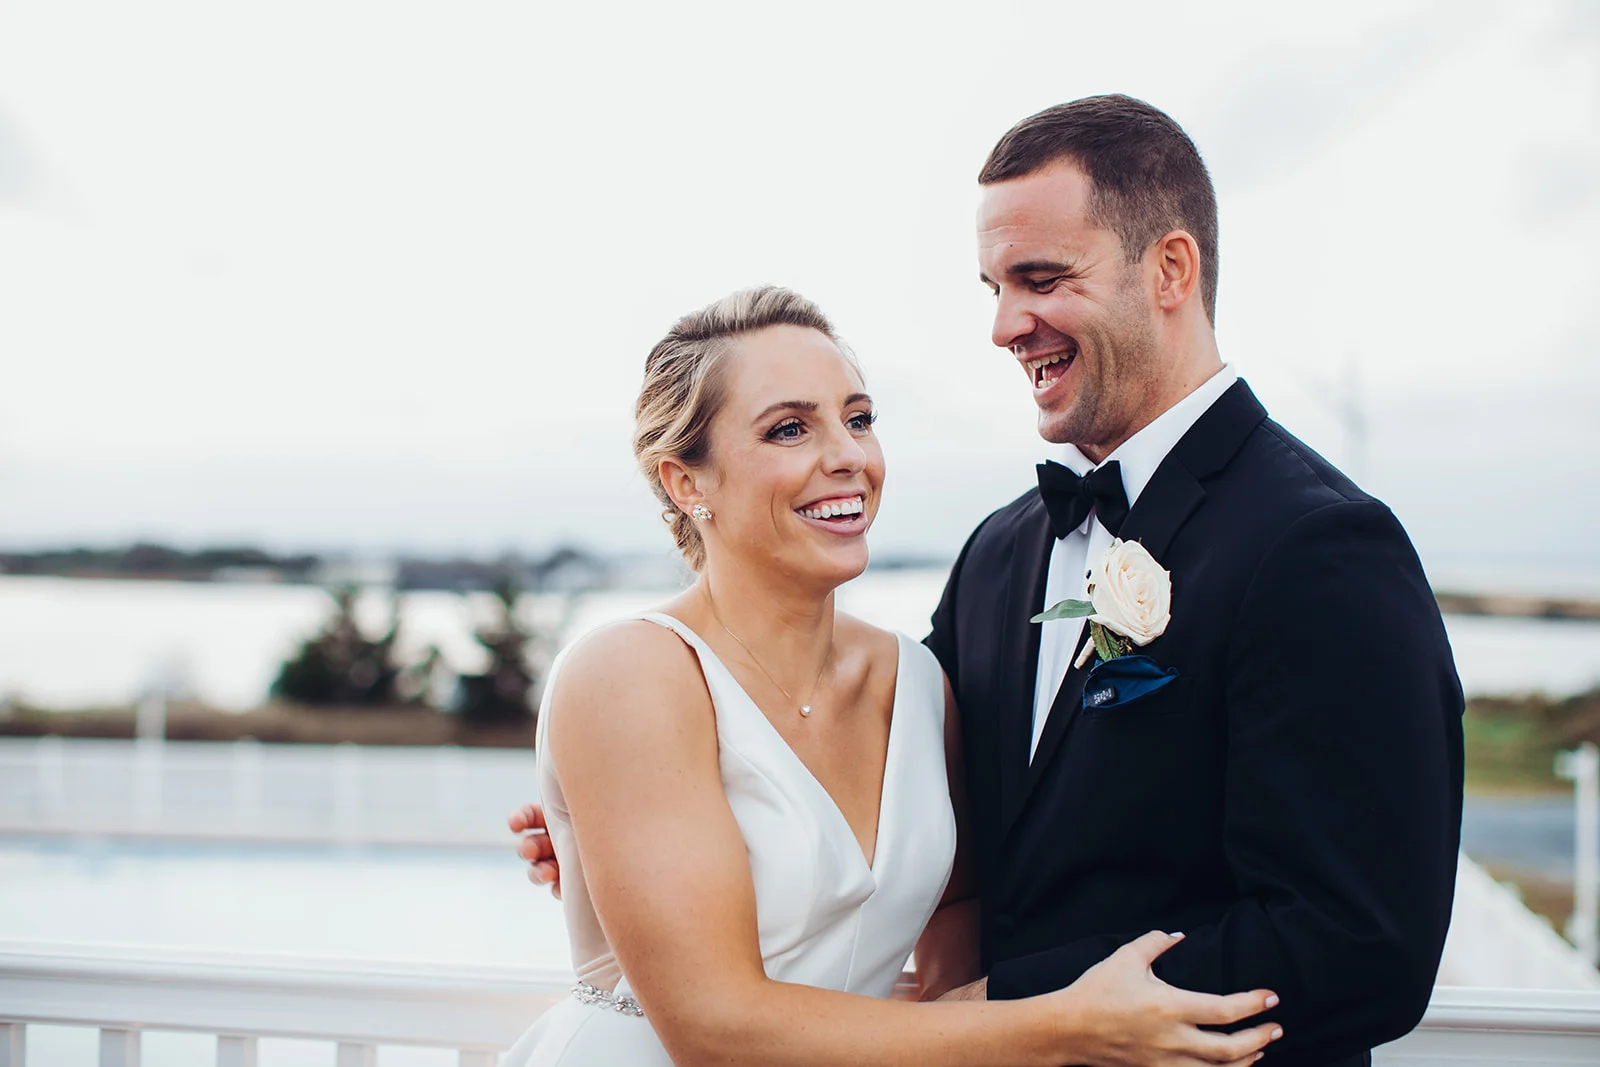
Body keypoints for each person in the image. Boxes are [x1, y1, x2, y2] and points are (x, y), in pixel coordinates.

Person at [517, 95, 1464, 1067]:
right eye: (995, 286)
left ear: (1170, 270)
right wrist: (626, 829)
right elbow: (918, 821)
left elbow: (1361, 941)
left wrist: (1020, 1005)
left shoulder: (1319, 544)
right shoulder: (999, 555)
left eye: (1041, 279)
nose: (1007, 324)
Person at [499, 285, 1283, 1066]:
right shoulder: (630, 674)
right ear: (686, 482)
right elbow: (714, 1028)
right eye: (789, 428)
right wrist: (1061, 1025)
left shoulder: (916, 681)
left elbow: (959, 902)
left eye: (859, 418)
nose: (848, 455)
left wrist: (956, 1018)